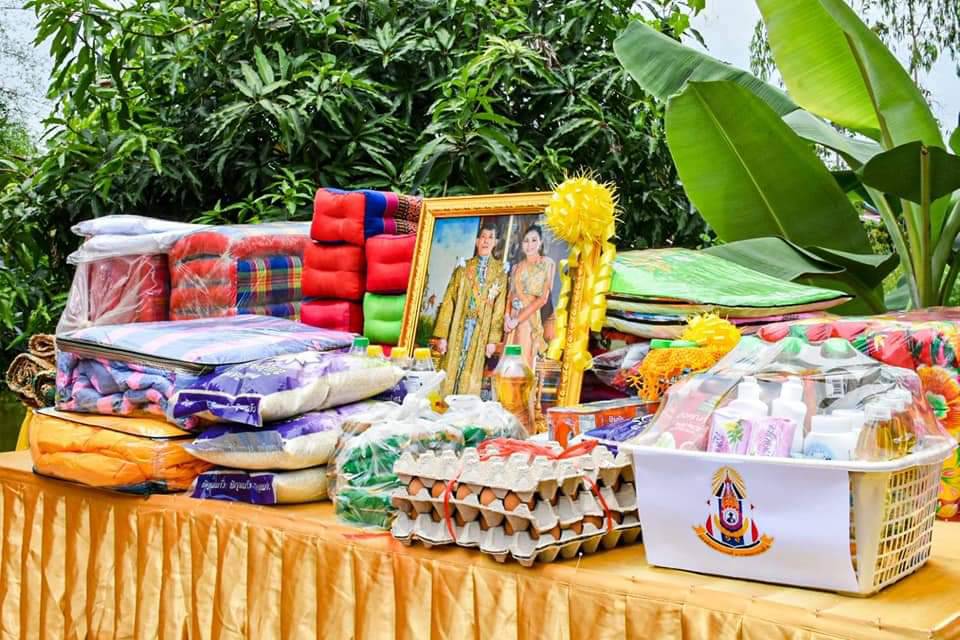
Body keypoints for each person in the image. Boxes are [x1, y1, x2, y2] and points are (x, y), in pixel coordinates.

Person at [432, 223, 508, 396]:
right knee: (450, 367)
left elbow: (499, 308)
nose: (486, 241)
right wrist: (442, 336)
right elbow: (449, 302)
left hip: (481, 331)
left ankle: (465, 409)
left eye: (490, 237)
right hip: (459, 325)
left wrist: (492, 340)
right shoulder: (463, 268)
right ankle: (443, 405)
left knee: (471, 372)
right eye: (483, 237)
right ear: (477, 241)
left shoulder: (500, 273)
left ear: (495, 242)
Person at [504, 224, 555, 370]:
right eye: (526, 241)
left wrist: (518, 320)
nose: (530, 244)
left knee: (522, 365)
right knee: (508, 365)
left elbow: (543, 299)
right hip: (512, 321)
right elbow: (510, 295)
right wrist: (507, 317)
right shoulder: (516, 267)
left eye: (534, 240)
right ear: (521, 244)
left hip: (529, 321)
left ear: (540, 242)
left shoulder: (547, 263)